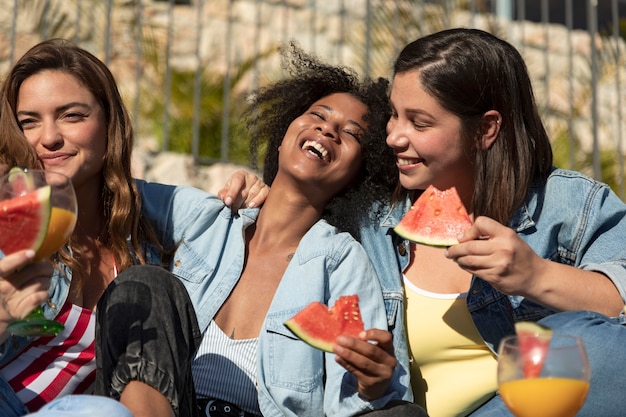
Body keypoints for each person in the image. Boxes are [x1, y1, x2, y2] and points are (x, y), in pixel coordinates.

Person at [220, 28, 626, 417]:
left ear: (486, 129)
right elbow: (303, 202)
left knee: (592, 343)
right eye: (393, 115)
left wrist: (535, 276)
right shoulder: (370, 213)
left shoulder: (569, 205)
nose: (394, 136)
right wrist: (259, 194)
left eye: (419, 122)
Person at [125, 41, 423, 417]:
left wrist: (371, 383)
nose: (328, 130)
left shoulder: (343, 262)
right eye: (318, 115)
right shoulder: (208, 218)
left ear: (356, 177)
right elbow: (110, 191)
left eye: (351, 134)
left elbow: (352, 400)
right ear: (282, 136)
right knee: (145, 284)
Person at [0, 39, 198, 417]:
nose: (48, 137)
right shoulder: (6, 229)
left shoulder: (146, 244)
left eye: (71, 115)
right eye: (29, 121)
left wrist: (256, 191)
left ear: (110, 123)